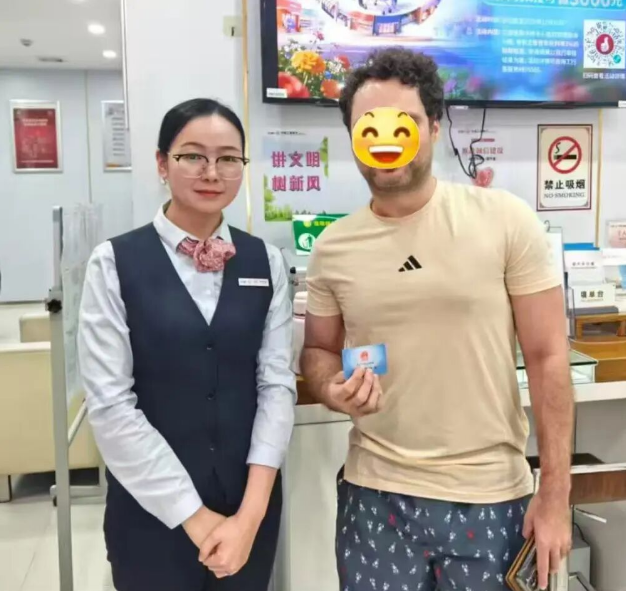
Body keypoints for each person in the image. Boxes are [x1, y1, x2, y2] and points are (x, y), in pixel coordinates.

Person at [301, 48, 573, 591]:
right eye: (368, 126)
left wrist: (555, 496)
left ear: (433, 126)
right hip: (374, 498)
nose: (385, 141)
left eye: (403, 123)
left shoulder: (505, 220)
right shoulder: (332, 247)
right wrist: (332, 388)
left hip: (491, 497)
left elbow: (548, 358)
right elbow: (319, 351)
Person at [78, 98, 296, 591]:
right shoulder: (113, 263)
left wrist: (250, 516)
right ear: (162, 163)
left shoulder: (267, 262)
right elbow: (111, 405)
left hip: (248, 509)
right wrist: (196, 519)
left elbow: (276, 385)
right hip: (151, 514)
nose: (211, 172)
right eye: (193, 155)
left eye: (228, 158)